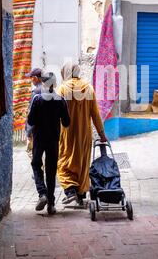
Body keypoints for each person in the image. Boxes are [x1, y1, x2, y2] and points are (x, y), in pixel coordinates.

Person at [57, 63, 107, 205]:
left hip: (67, 133)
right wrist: (102, 134)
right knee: (82, 163)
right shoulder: (88, 88)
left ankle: (71, 190)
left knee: (64, 161)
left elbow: (55, 113)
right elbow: (95, 115)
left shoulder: (62, 89)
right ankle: (80, 195)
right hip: (84, 134)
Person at [27, 72, 70, 214]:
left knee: (36, 164)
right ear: (55, 84)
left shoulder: (37, 99)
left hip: (39, 139)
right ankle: (51, 205)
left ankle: (42, 193)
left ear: (43, 83)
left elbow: (31, 121)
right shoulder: (60, 100)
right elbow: (66, 122)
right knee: (51, 170)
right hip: (53, 140)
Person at [25, 68, 43, 157]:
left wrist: (28, 133)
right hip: (47, 131)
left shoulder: (35, 92)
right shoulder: (51, 90)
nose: (30, 80)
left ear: (35, 78)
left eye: (31, 77)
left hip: (36, 131)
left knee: (35, 158)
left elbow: (31, 114)